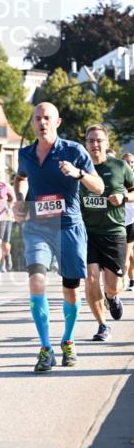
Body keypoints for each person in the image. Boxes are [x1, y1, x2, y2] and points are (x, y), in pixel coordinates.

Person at [13, 102, 103, 372]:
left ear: (57, 122)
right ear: (32, 123)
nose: (42, 122)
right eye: (38, 118)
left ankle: (68, 340)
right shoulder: (26, 154)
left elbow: (98, 187)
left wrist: (79, 173)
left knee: (71, 289)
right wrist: (19, 199)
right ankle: (45, 348)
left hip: (69, 227)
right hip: (38, 227)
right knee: (37, 280)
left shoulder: (74, 150)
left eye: (47, 118)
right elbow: (20, 178)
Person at [81, 127, 134, 341]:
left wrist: (123, 198)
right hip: (87, 233)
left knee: (113, 284)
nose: (95, 144)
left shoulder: (120, 166)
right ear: (86, 143)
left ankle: (112, 297)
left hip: (114, 232)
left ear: (106, 142)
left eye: (99, 140)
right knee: (91, 278)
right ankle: (102, 325)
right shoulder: (80, 169)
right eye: (91, 140)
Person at [123, 153, 134, 291]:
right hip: (121, 221)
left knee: (127, 255)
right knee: (129, 255)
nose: (129, 164)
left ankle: (123, 281)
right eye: (126, 162)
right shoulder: (118, 179)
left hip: (131, 222)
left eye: (132, 162)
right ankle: (130, 280)